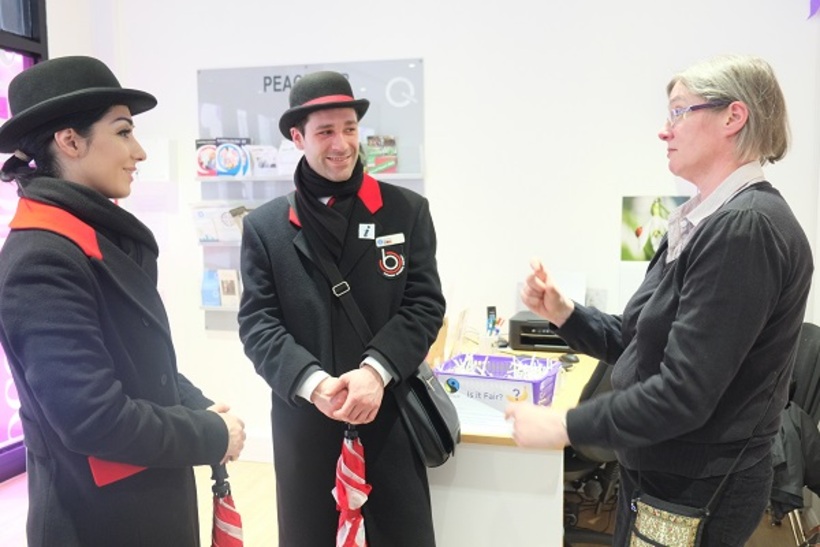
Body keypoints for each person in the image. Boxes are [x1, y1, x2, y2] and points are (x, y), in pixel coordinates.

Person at [506, 54, 813, 546]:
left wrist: (564, 425)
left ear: (733, 117)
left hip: (695, 484)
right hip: (666, 473)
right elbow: (642, 341)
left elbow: (683, 393)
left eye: (678, 112)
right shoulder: (707, 220)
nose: (663, 131)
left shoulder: (744, 229)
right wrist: (564, 313)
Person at [0, 56, 246, 547]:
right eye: (123, 132)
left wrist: (201, 409)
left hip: (144, 502)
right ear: (69, 141)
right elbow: (93, 417)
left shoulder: (95, 237)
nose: (139, 151)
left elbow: (142, 359)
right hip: (97, 522)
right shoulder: (41, 259)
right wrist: (210, 435)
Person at [238, 70, 446, 546]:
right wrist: (312, 384)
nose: (342, 144)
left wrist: (376, 372)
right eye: (325, 132)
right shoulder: (267, 228)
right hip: (307, 422)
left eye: (349, 128)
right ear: (297, 137)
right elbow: (257, 324)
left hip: (389, 411)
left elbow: (424, 303)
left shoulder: (406, 211)